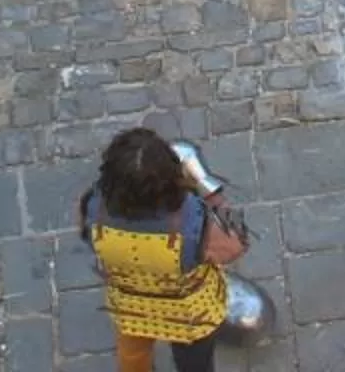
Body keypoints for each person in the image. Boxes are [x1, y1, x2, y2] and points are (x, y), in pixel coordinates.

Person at [78, 126, 244, 372]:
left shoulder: (93, 207)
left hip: (130, 304)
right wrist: (213, 197)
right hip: (188, 313)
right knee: (194, 364)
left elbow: (85, 232)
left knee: (132, 356)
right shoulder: (193, 221)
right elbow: (234, 247)